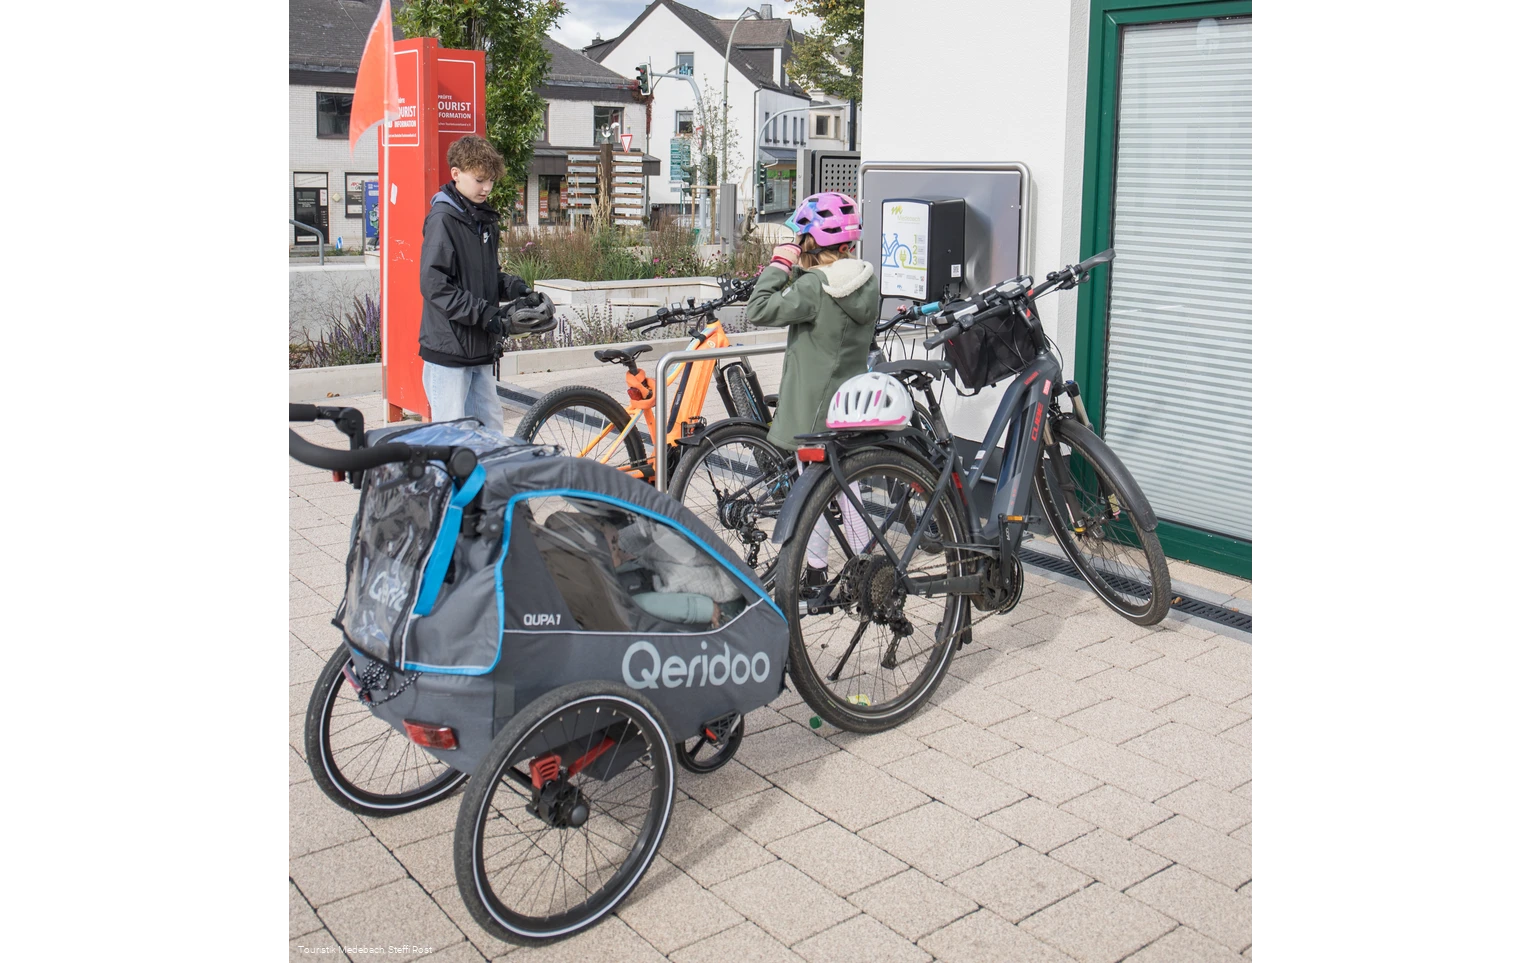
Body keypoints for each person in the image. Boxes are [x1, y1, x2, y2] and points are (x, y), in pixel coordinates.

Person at [744, 192, 879, 591]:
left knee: (822, 491)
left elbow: (759, 309)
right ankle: (826, 568)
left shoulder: (816, 288)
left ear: (811, 243)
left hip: (813, 410)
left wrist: (781, 262)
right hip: (847, 404)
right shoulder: (865, 280)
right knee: (840, 488)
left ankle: (863, 565)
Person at [419, 134, 556, 432]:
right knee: (452, 437)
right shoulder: (443, 218)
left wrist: (516, 289)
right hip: (449, 350)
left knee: (491, 429)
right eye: (480, 180)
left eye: (491, 180)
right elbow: (435, 286)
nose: (488, 187)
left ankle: (487, 481)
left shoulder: (482, 219)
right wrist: (488, 315)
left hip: (479, 347)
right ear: (456, 174)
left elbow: (484, 278)